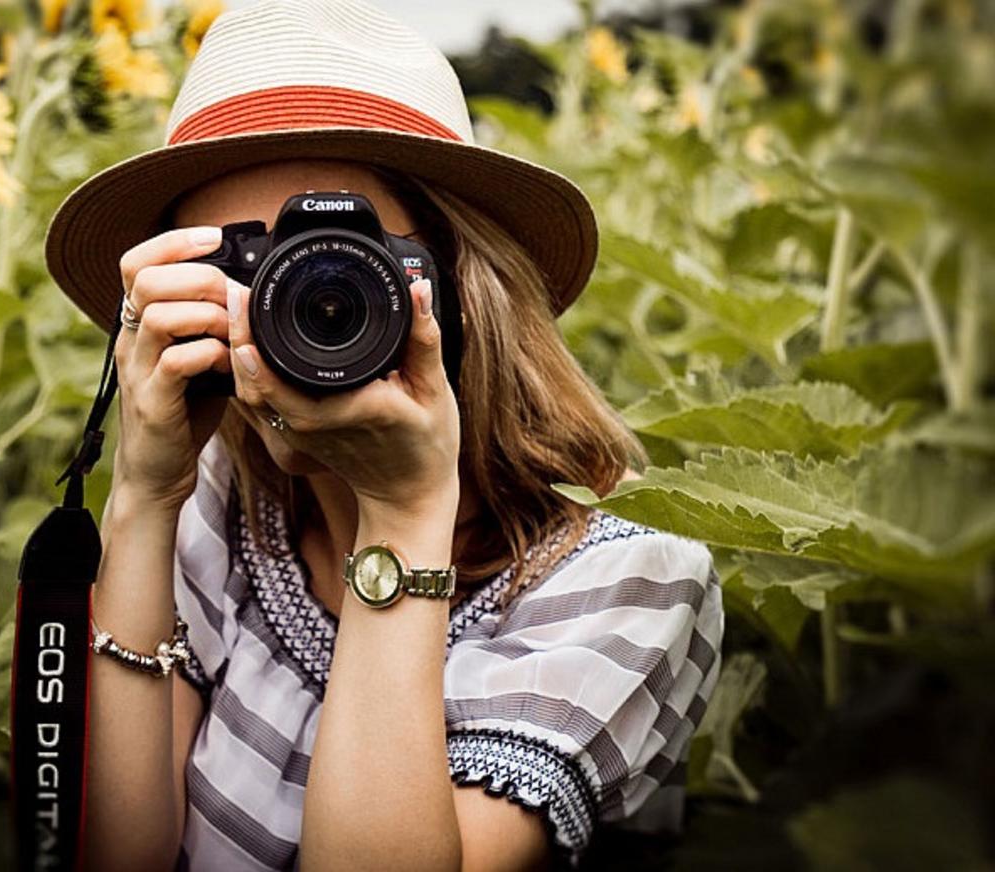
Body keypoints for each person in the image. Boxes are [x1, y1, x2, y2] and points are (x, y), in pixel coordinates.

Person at [42, 1, 724, 870]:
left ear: (460, 284)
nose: (298, 306)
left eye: (342, 256)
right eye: (245, 267)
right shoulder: (223, 495)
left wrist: (404, 510)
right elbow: (117, 857)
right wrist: (143, 496)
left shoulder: (632, 583)